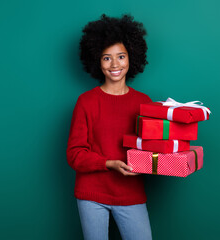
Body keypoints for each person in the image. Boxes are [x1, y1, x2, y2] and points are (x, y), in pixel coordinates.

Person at [67, 14, 152, 240]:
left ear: (131, 57)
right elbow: (75, 155)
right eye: (107, 58)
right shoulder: (86, 102)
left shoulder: (145, 103)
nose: (115, 65)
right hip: (91, 194)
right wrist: (108, 163)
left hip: (130, 192)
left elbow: (153, 148)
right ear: (97, 60)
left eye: (121, 56)